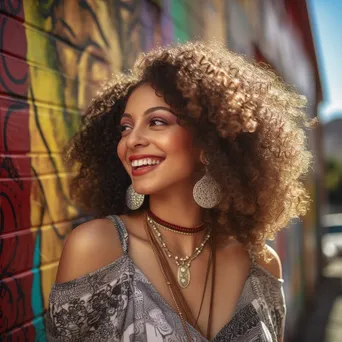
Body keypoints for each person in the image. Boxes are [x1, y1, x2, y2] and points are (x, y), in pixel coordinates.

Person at [45, 41, 314, 341]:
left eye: (156, 122)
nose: (132, 141)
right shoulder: (97, 249)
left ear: (207, 142)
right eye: (125, 127)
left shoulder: (261, 264)